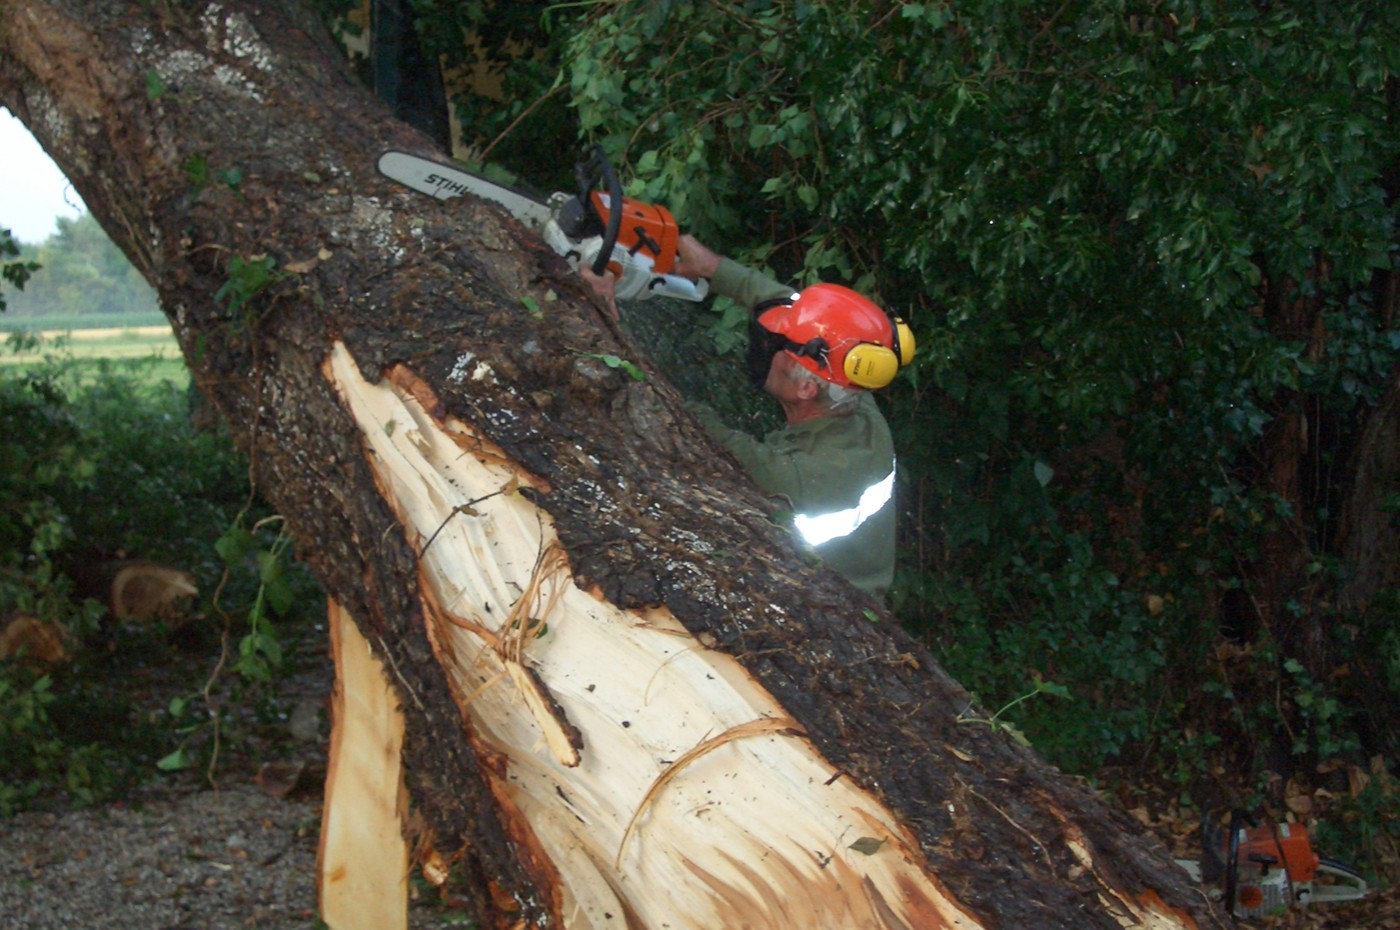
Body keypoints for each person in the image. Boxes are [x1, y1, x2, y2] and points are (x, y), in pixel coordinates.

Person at [582, 235, 914, 600]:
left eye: (780, 343)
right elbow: (796, 308)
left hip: (827, 616)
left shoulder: (791, 475)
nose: (766, 341)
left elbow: (672, 414)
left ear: (807, 388)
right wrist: (712, 267)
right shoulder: (856, 395)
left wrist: (599, 318)